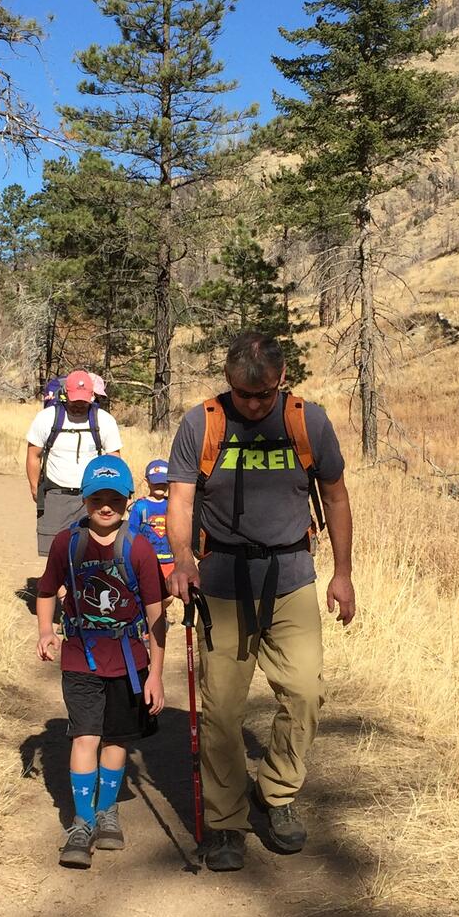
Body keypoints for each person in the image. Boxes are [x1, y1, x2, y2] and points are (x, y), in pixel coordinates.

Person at [167, 331, 355, 872]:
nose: (251, 404)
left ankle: (276, 793)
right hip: (223, 580)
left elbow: (336, 497)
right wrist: (182, 558)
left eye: (262, 394)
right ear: (228, 382)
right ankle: (226, 823)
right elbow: (180, 498)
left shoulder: (307, 421)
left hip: (291, 575)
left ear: (282, 378)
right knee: (222, 708)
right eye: (242, 394)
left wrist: (342, 574)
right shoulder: (201, 423)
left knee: (303, 691)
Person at [35, 455, 166, 867]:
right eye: (96, 499)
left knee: (116, 739)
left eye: (113, 498)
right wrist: (45, 630)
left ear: (128, 499)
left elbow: (156, 614)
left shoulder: (138, 547)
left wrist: (156, 675)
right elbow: (45, 590)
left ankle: (108, 811)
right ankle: (83, 820)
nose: (105, 506)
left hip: (129, 663)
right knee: (85, 736)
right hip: (80, 657)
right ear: (85, 500)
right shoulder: (67, 543)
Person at [25, 370, 122, 557]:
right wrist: (34, 486)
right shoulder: (46, 418)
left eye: (83, 400)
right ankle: (59, 586)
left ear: (92, 395)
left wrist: (114, 492)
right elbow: (33, 455)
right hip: (55, 493)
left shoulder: (104, 420)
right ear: (65, 394)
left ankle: (85, 586)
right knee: (55, 554)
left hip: (92, 496)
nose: (79, 405)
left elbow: (114, 459)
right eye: (74, 399)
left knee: (91, 552)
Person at [129, 459, 174, 588]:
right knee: (151, 593)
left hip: (170, 561)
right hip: (148, 562)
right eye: (156, 483)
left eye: (163, 482)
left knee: (169, 594)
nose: (160, 486)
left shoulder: (173, 504)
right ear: (147, 482)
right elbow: (131, 534)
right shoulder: (140, 506)